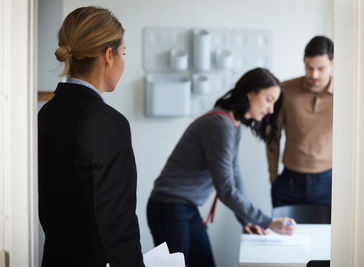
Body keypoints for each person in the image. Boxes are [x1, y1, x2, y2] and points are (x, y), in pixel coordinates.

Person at [147, 68, 297, 267]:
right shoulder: (220, 125)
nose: (271, 109)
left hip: (184, 208)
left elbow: (235, 177)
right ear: (251, 92)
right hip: (169, 207)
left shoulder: (231, 125)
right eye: (269, 99)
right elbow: (226, 189)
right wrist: (267, 221)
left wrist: (247, 220)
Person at [38, 6, 144, 267]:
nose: (122, 62)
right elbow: (118, 224)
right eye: (123, 53)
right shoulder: (111, 124)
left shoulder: (45, 114)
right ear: (109, 55)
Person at [266, 36, 334, 208]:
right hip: (289, 181)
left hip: (329, 182)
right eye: (309, 67)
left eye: (321, 68)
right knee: (284, 233)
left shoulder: (347, 93)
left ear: (332, 63)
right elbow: (273, 135)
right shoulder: (285, 90)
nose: (314, 75)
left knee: (327, 235)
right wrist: (273, 177)